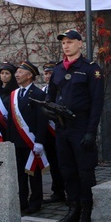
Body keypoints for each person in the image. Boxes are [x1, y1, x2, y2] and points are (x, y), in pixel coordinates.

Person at [46, 29, 104, 222]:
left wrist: (91, 131)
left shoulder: (91, 69)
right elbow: (50, 97)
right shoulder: (58, 69)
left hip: (82, 126)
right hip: (63, 128)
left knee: (85, 171)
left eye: (70, 42)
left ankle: (87, 212)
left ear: (80, 44)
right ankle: (73, 209)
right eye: (63, 43)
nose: (66, 46)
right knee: (67, 171)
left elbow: (97, 103)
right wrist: (50, 112)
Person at [6, 60, 48, 214]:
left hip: (31, 142)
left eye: (20, 72)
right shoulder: (14, 94)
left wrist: (39, 141)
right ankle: (22, 201)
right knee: (20, 174)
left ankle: (36, 202)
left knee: (34, 174)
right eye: (16, 72)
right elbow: (11, 121)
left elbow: (42, 120)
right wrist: (8, 140)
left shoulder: (38, 94)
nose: (16, 75)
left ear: (29, 75)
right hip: (17, 141)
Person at [41, 61, 65, 204]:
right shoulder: (42, 91)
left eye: (51, 73)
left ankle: (69, 191)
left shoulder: (60, 90)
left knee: (64, 164)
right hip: (48, 134)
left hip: (60, 130)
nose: (48, 76)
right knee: (53, 164)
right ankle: (57, 191)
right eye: (46, 73)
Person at [0, 61, 19, 139]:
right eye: (2, 73)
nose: (4, 76)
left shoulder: (15, 92)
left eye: (7, 73)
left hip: (10, 127)